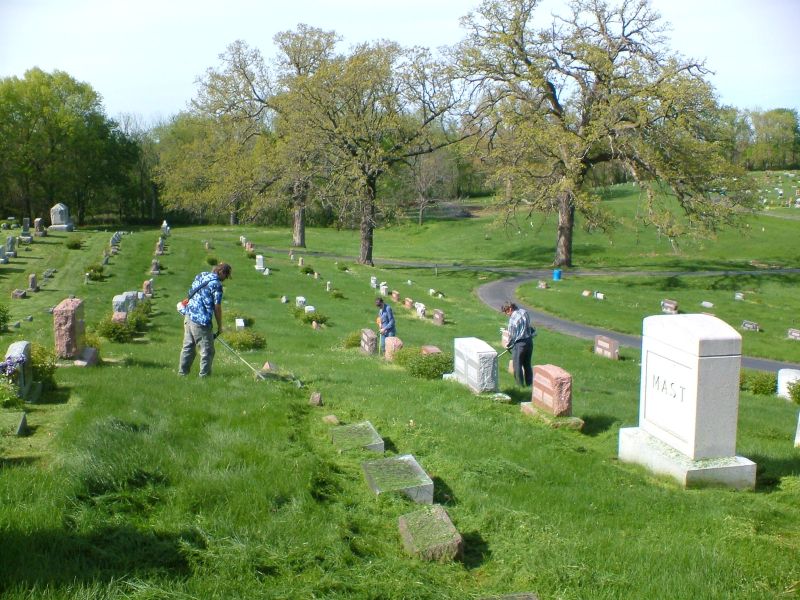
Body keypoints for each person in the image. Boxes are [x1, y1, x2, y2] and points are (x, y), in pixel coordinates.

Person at [178, 262, 232, 377]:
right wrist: (220, 326)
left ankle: (182, 374)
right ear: (221, 272)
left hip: (189, 315)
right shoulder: (217, 285)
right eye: (226, 276)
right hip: (201, 322)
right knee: (207, 351)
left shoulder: (201, 275)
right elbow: (217, 307)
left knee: (188, 347)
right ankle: (204, 378)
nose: (225, 279)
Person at [502, 301, 535, 387]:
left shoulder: (512, 319)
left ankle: (520, 386)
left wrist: (508, 345)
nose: (507, 314)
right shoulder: (524, 312)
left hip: (519, 344)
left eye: (506, 312)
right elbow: (528, 326)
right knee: (527, 364)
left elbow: (512, 336)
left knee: (517, 366)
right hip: (529, 341)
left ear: (510, 308)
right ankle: (530, 384)